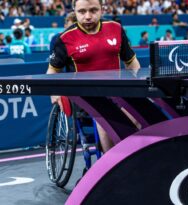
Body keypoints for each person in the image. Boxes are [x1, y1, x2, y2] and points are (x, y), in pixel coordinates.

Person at [47, 0, 140, 153]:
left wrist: (139, 88)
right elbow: (52, 71)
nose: (88, 16)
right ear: (74, 11)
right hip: (86, 99)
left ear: (101, 10)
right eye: (82, 12)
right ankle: (113, 162)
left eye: (93, 10)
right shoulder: (64, 39)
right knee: (106, 120)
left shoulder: (115, 29)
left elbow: (132, 63)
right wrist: (55, 93)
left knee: (138, 115)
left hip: (118, 94)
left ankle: (127, 156)